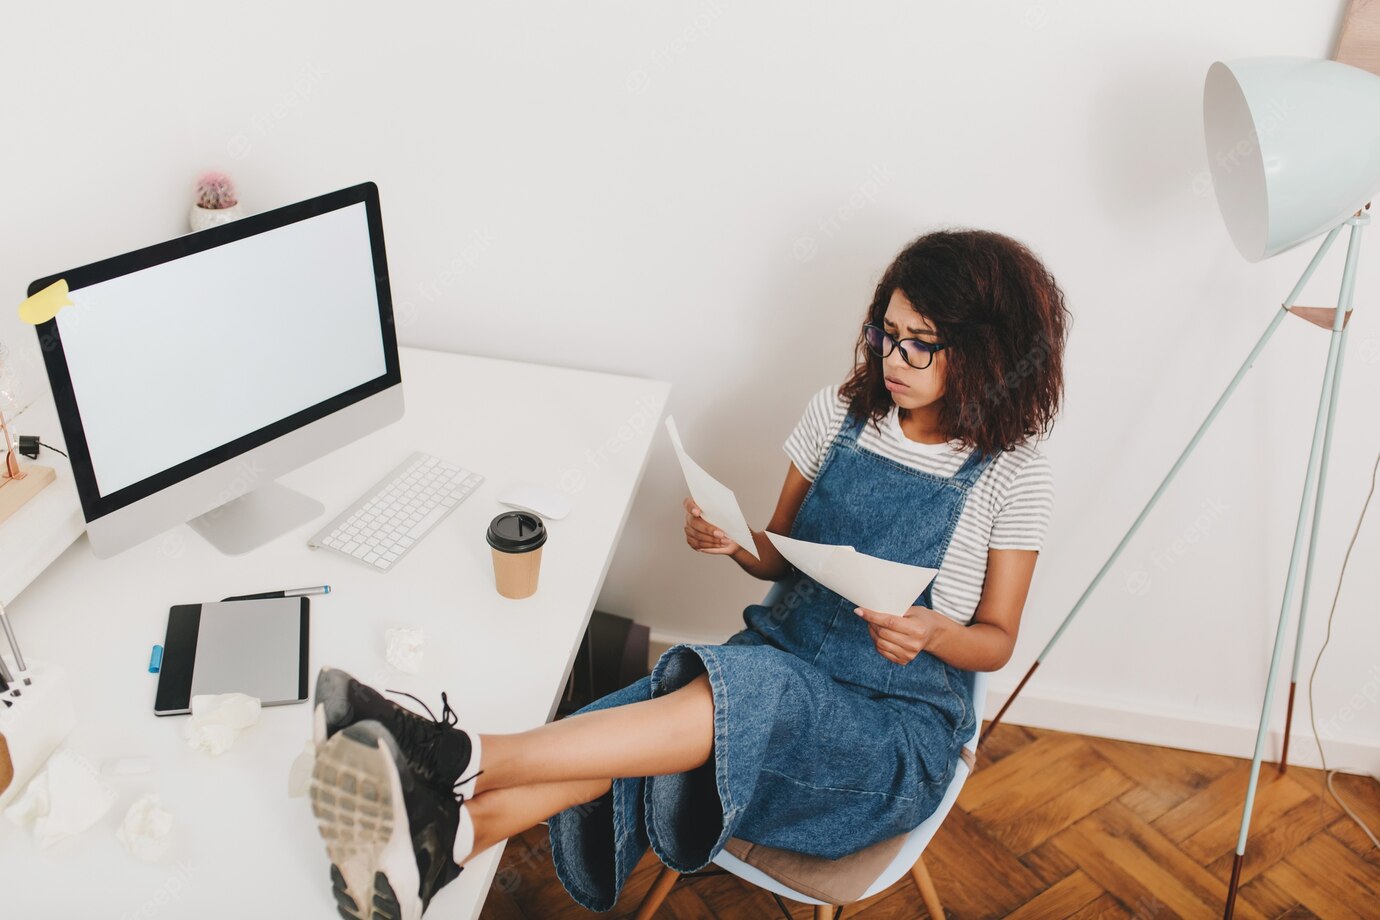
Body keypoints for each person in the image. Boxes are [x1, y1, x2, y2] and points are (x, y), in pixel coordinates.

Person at [305, 228, 1069, 919]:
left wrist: (935, 633)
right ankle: (451, 842)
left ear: (985, 355)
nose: (891, 360)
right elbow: (779, 556)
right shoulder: (839, 415)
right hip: (778, 665)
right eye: (885, 334)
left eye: (920, 345)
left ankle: (456, 753)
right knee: (653, 712)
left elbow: (996, 640)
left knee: (731, 696)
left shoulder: (1011, 474)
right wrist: (735, 543)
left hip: (885, 735)